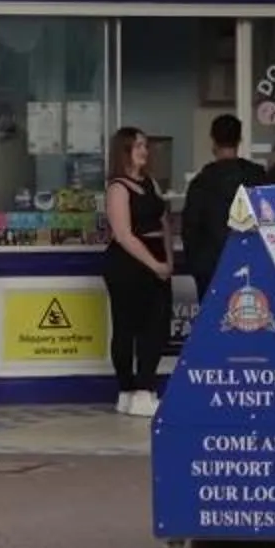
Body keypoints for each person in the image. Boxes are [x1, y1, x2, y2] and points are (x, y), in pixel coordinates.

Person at [100, 126, 174, 417]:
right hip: (128, 263)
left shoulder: (151, 183)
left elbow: (165, 222)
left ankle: (145, 386)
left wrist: (167, 260)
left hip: (156, 257)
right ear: (125, 151)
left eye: (145, 145)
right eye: (138, 146)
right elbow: (123, 234)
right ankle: (129, 390)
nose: (144, 151)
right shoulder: (118, 188)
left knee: (156, 326)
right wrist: (153, 264)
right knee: (127, 326)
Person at [181, 113, 270, 300]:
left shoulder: (202, 182)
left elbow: (190, 229)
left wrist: (196, 265)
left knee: (214, 317)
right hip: (253, 264)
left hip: (211, 268)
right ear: (240, 140)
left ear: (213, 141)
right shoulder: (258, 176)